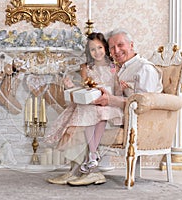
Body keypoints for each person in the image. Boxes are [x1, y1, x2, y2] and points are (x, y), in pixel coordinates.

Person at [46, 32, 124, 185]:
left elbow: (116, 90)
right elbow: (85, 88)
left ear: (105, 47)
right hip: (90, 104)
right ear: (88, 52)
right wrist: (71, 86)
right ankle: (81, 165)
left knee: (100, 113)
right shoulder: (86, 68)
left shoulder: (114, 67)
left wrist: (121, 88)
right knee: (86, 115)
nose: (97, 52)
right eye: (92, 49)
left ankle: (92, 156)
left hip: (106, 103)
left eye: (100, 47)